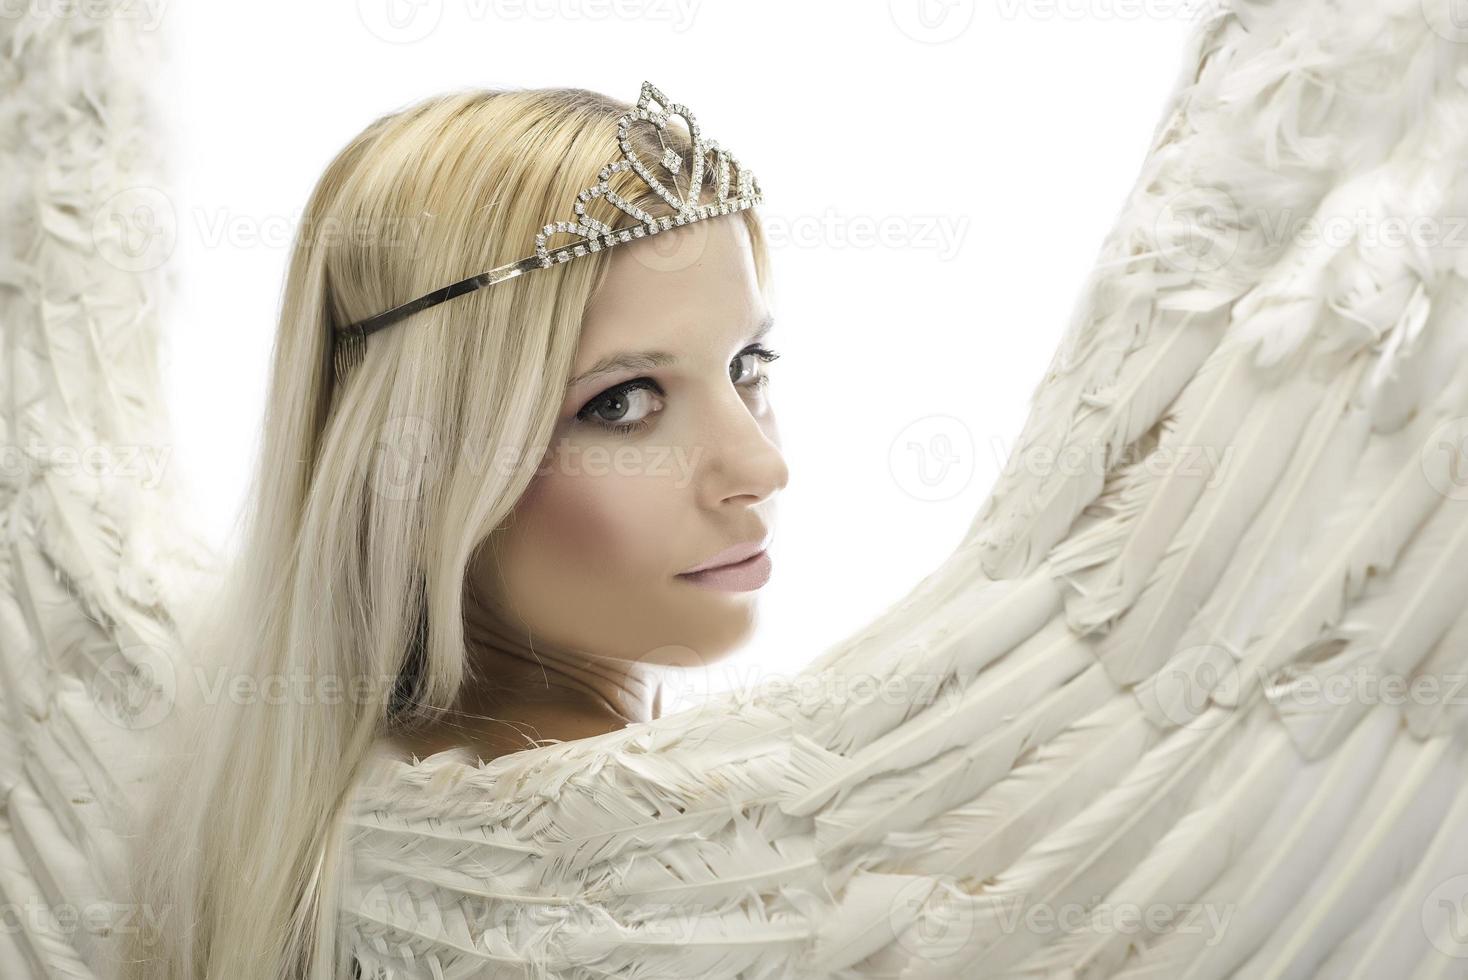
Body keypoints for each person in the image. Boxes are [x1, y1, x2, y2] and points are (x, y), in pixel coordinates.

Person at [126, 82, 782, 979]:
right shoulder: (632, 860)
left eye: (749, 364)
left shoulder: (289, 794)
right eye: (622, 403)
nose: (759, 469)